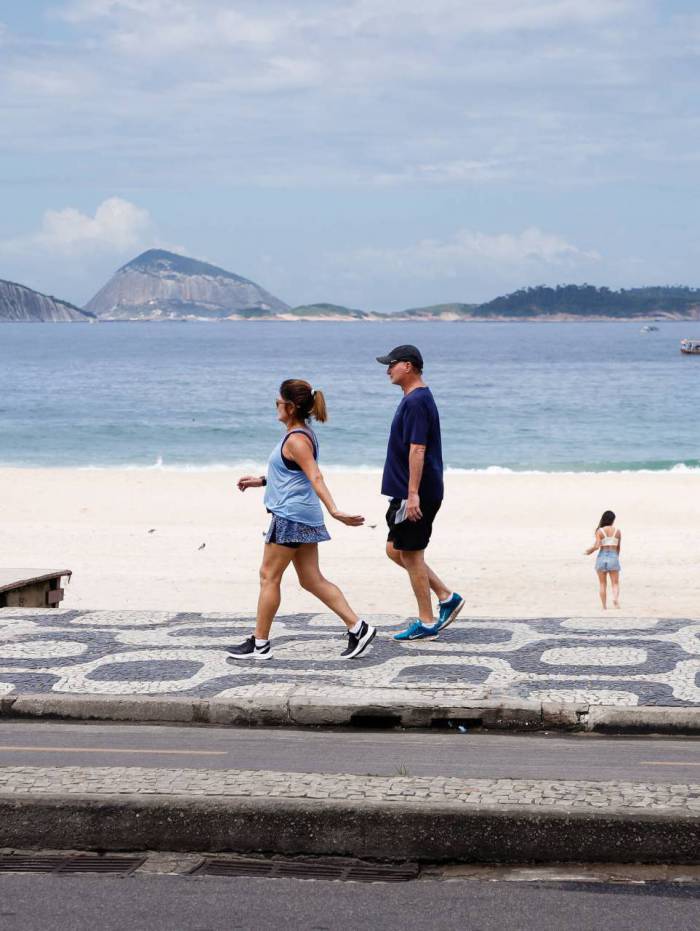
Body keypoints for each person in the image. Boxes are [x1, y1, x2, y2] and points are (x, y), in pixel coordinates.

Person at [228, 379, 376, 660]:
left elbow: (314, 476)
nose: (276, 407)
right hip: (302, 515)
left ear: (291, 407)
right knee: (311, 579)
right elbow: (291, 473)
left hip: (290, 517)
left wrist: (335, 510)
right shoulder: (301, 434)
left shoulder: (296, 439)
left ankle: (259, 644)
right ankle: (359, 628)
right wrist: (260, 481)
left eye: (278, 403)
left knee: (268, 577)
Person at [376, 344, 463, 640]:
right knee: (395, 550)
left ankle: (426, 623)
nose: (388, 369)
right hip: (407, 491)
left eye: (392, 364)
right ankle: (446, 595)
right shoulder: (415, 398)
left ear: (408, 366)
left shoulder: (416, 402)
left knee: (411, 556)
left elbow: (418, 449)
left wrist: (412, 494)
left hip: (415, 493)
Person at [584, 509, 622, 609]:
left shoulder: (599, 531)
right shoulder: (617, 531)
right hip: (613, 556)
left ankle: (604, 606)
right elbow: (618, 548)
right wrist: (615, 558)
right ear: (613, 520)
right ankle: (615, 598)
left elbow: (597, 546)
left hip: (602, 556)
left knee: (602, 584)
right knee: (615, 583)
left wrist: (589, 551)